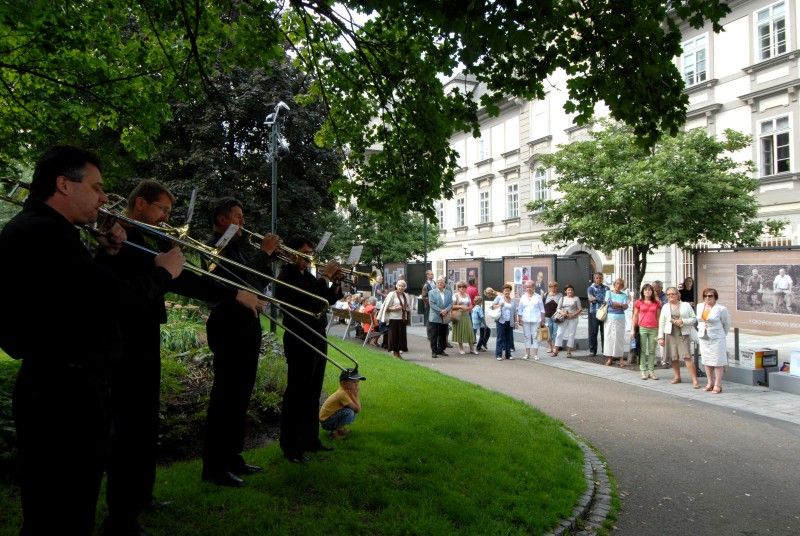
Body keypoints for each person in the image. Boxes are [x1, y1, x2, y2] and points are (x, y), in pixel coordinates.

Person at [0, 146, 184, 536]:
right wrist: (164, 272)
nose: (103, 198)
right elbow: (110, 300)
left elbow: (79, 297)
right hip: (63, 394)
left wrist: (108, 254)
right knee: (63, 510)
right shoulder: (44, 233)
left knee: (64, 505)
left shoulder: (49, 231)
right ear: (64, 185)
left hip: (62, 386)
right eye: (97, 187)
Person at [97, 181, 265, 532]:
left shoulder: (142, 238)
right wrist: (235, 295)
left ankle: (141, 495)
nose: (165, 217)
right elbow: (176, 280)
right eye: (162, 209)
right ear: (140, 204)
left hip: (143, 335)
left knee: (145, 422)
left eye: (169, 212)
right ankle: (122, 515)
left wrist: (172, 250)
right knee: (130, 426)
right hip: (126, 340)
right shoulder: (122, 238)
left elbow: (180, 277)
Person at [201, 197, 278, 486]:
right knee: (226, 397)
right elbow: (238, 281)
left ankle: (232, 457)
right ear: (222, 219)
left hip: (246, 325)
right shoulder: (215, 247)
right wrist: (263, 253)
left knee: (241, 395)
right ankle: (214, 467)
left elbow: (256, 283)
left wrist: (268, 258)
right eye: (238, 216)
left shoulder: (238, 249)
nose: (243, 222)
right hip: (228, 326)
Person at [275, 235, 343, 463]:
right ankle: (291, 447)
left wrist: (336, 283)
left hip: (316, 335)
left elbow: (325, 301)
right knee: (297, 393)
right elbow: (310, 299)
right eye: (304, 253)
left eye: (310, 254)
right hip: (299, 338)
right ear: (291, 253)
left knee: (313, 391)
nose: (308, 258)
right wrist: (326, 277)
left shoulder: (307, 275)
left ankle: (310, 439)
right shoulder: (287, 275)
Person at [657, 286, 701, 387]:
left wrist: (683, 321)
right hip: (670, 334)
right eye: (668, 294)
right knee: (674, 356)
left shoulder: (686, 305)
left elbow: (694, 319)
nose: (671, 296)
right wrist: (660, 337)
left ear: (678, 295)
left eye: (673, 294)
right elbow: (662, 322)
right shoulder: (665, 307)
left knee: (687, 356)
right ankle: (677, 377)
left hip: (682, 333)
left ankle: (695, 380)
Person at [697, 288, 731, 394]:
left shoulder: (721, 309)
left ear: (715, 297)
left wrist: (721, 334)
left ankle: (717, 384)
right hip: (704, 337)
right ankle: (710, 383)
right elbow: (699, 321)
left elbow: (726, 324)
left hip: (717, 338)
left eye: (710, 296)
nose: (707, 298)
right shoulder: (699, 306)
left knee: (717, 361)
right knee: (706, 360)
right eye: (705, 296)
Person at [319, 368, 365, 439]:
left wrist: (353, 396)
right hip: (326, 422)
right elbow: (357, 409)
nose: (356, 385)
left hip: (329, 419)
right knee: (349, 412)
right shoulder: (342, 394)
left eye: (357, 382)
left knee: (353, 408)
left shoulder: (347, 392)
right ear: (343, 383)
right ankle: (336, 433)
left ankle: (340, 429)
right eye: (354, 382)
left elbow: (358, 407)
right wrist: (356, 395)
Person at [632, 284, 661, 380]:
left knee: (652, 350)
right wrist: (633, 329)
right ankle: (643, 371)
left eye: (649, 290)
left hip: (654, 328)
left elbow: (658, 317)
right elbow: (635, 316)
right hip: (642, 328)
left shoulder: (656, 303)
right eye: (646, 290)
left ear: (652, 292)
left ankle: (651, 371)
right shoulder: (639, 302)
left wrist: (660, 330)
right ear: (643, 292)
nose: (647, 291)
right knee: (643, 350)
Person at [378, 279, 411, 358]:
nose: (401, 287)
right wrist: (393, 309)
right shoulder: (392, 294)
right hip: (393, 318)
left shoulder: (406, 295)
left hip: (402, 319)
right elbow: (385, 307)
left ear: (405, 287)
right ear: (396, 286)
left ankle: (398, 352)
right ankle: (395, 353)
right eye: (399, 286)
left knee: (401, 337)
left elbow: (408, 306)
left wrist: (407, 308)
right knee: (394, 336)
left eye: (403, 286)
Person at [603, 278, 630, 367]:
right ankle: (609, 358)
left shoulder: (624, 295)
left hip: (620, 318)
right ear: (614, 284)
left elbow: (626, 306)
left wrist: (617, 305)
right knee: (609, 337)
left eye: (621, 284)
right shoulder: (608, 292)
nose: (618, 286)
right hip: (609, 318)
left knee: (619, 338)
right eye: (617, 283)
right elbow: (609, 303)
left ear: (622, 286)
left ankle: (620, 358)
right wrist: (620, 305)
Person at [517, 280, 545, 360]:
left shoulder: (538, 297)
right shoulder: (523, 297)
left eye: (530, 287)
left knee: (535, 337)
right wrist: (519, 319)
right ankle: (527, 354)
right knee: (527, 336)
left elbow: (542, 310)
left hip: (536, 320)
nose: (528, 289)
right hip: (525, 320)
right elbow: (520, 310)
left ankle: (535, 354)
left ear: (534, 287)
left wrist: (542, 320)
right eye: (527, 287)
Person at [552, 284, 582, 358]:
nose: (570, 291)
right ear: (565, 291)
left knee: (571, 334)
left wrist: (573, 314)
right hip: (563, 318)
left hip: (573, 318)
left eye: (571, 290)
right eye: (568, 290)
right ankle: (556, 350)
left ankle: (569, 352)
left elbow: (580, 309)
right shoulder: (562, 298)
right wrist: (562, 313)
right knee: (559, 333)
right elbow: (558, 308)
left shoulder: (576, 298)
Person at [427, 276, 453, 358]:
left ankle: (441, 350)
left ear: (444, 283)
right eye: (438, 282)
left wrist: (446, 310)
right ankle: (434, 352)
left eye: (442, 282)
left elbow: (451, 303)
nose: (440, 283)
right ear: (436, 283)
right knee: (434, 335)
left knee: (443, 334)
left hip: (445, 317)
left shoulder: (448, 292)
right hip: (435, 316)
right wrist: (441, 311)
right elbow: (432, 304)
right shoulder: (431, 292)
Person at [491, 283, 517, 361]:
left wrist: (515, 322)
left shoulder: (513, 300)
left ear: (510, 291)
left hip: (510, 321)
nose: (507, 292)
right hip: (501, 321)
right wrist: (499, 305)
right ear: (503, 291)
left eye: (508, 291)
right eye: (505, 290)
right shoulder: (499, 298)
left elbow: (515, 312)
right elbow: (492, 306)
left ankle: (508, 355)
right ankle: (498, 354)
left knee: (509, 338)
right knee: (500, 338)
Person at [451, 281, 478, 355]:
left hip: (466, 315)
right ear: (458, 288)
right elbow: (451, 306)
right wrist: (460, 306)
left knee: (470, 331)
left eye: (463, 287)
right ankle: (461, 348)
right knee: (460, 331)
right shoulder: (455, 295)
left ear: (466, 288)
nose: (462, 288)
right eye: (460, 287)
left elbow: (471, 305)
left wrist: (468, 308)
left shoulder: (467, 295)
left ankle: (472, 349)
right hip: (458, 316)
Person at [587, 272, 609, 356]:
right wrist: (602, 299)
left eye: (600, 278)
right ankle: (593, 351)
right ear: (594, 279)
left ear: (602, 279)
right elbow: (591, 299)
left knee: (604, 332)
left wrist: (597, 299)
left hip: (604, 312)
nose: (598, 279)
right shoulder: (590, 288)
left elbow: (608, 299)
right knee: (593, 332)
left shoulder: (606, 288)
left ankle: (605, 351)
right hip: (594, 312)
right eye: (597, 278)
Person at [543, 282, 563, 355]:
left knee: (555, 333)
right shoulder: (545, 295)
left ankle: (555, 347)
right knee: (548, 333)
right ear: (549, 287)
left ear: (557, 287)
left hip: (556, 317)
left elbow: (562, 306)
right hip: (547, 317)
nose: (553, 288)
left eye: (555, 286)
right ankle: (549, 347)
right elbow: (542, 306)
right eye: (551, 286)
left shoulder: (560, 295)